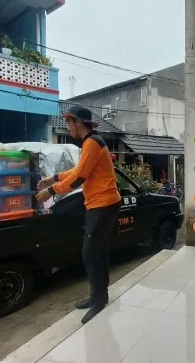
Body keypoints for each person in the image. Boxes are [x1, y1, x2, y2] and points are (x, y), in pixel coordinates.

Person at [35, 105, 121, 324]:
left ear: (78, 122)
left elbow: (79, 178)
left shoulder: (92, 142)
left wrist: (50, 191)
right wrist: (53, 178)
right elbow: (78, 170)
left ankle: (99, 300)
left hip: (103, 204)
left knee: (91, 254)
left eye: (68, 122)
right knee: (97, 252)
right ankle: (98, 296)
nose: (67, 127)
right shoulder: (91, 142)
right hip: (100, 204)